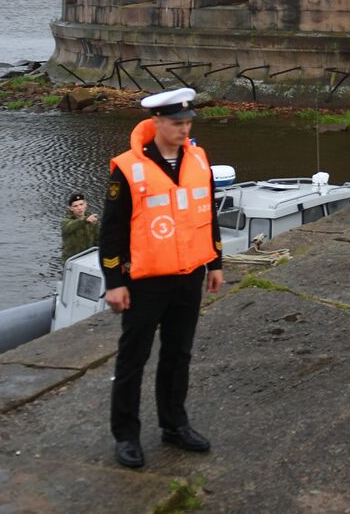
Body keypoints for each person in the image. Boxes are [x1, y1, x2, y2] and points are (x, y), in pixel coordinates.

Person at [99, 87, 224, 469]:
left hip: (188, 275)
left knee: (178, 355)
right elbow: (112, 228)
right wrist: (113, 282)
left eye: (188, 123)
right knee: (133, 358)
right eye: (176, 123)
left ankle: (175, 425)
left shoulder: (199, 159)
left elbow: (207, 213)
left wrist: (216, 262)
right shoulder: (126, 167)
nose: (184, 130)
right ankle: (127, 436)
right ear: (156, 123)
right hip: (145, 278)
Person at [61, 193, 99, 262]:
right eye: (75, 206)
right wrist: (85, 220)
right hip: (72, 260)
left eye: (81, 204)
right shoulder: (66, 221)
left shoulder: (93, 220)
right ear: (71, 208)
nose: (79, 208)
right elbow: (68, 227)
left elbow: (97, 240)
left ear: (86, 205)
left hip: (88, 258)